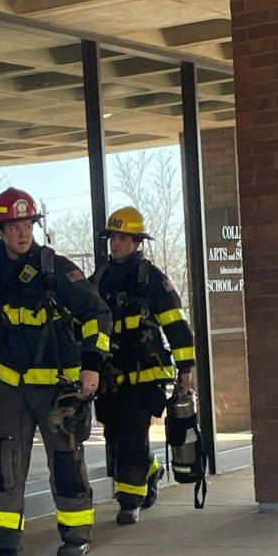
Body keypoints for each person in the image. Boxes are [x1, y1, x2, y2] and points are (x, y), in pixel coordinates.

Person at [0, 187, 111, 556]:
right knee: (3, 461)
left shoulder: (54, 269)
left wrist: (92, 365)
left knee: (65, 458)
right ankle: (2, 542)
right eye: (13, 226)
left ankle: (76, 532)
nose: (22, 233)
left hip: (58, 386)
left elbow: (98, 315)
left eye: (27, 224)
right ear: (0, 231)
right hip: (9, 385)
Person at [93, 206, 196, 525]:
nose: (116, 243)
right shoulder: (99, 278)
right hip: (112, 374)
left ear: (137, 242)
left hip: (145, 371)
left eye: (123, 238)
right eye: (112, 237)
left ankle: (130, 499)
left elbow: (176, 325)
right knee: (115, 433)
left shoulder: (151, 278)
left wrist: (185, 369)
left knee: (133, 431)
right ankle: (150, 468)